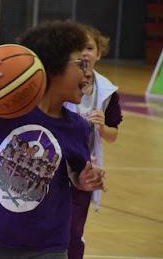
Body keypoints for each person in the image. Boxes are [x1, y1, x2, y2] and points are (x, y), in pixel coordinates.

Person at [0, 20, 105, 259]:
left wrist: (86, 179)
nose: (88, 73)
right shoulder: (3, 107)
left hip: (49, 244)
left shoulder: (77, 126)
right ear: (53, 67)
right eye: (80, 64)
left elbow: (77, 176)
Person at [64, 24, 123, 259]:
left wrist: (102, 127)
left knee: (74, 230)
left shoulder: (107, 92)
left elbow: (113, 135)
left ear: (99, 53)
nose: (85, 53)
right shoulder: (59, 81)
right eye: (79, 48)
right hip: (55, 164)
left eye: (89, 47)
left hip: (84, 169)